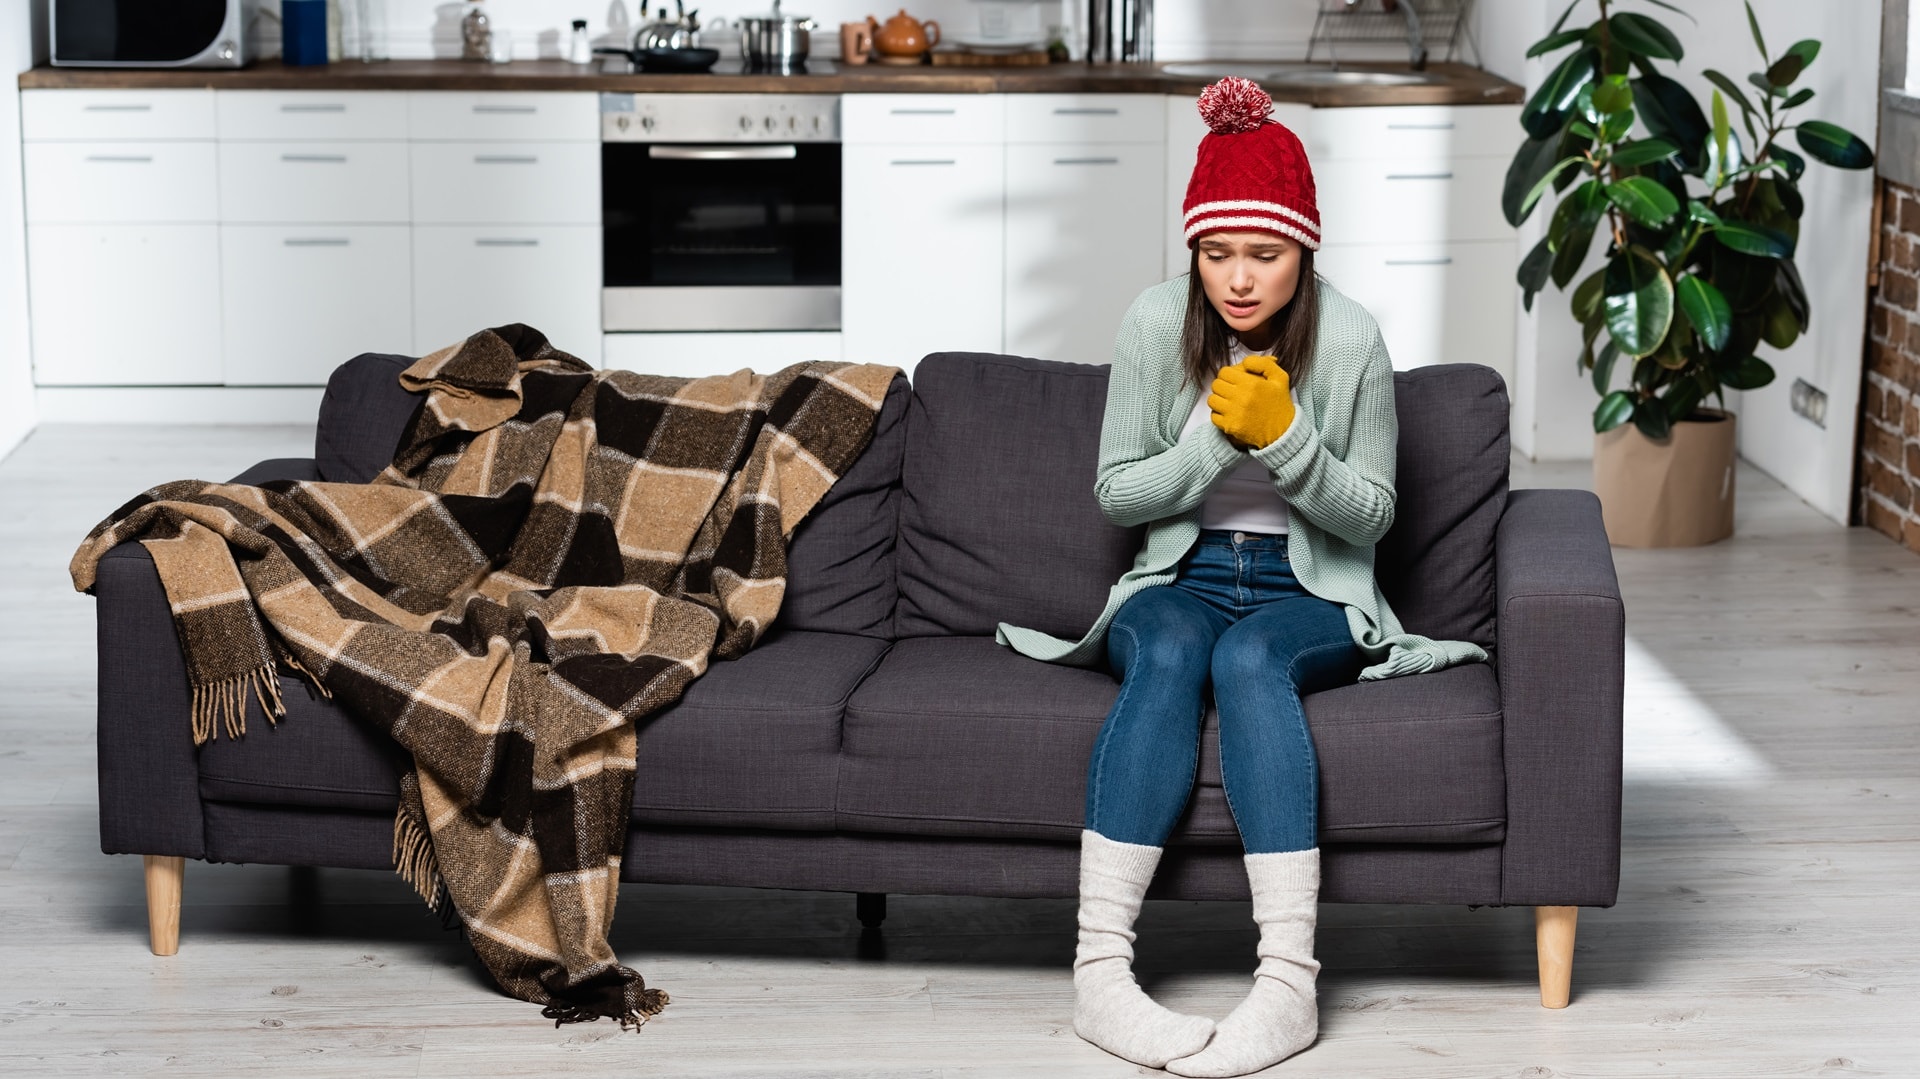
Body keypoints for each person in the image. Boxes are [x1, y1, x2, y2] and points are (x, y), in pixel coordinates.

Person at [995, 77, 1488, 1077]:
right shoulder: (1152, 323)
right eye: (1218, 254)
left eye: (1264, 254)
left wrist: (1291, 440)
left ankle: (1289, 984)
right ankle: (1100, 975)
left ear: (1305, 248)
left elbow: (1376, 515)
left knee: (1257, 656)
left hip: (1312, 589)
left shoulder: (1350, 338)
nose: (1240, 280)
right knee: (1174, 645)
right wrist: (1216, 446)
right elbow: (1121, 492)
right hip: (1184, 572)